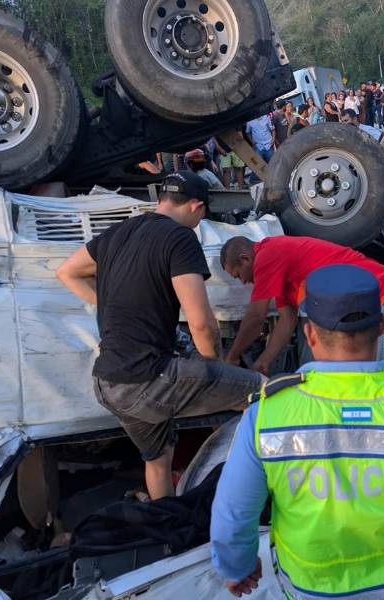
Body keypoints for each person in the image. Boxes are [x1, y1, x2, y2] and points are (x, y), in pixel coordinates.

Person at [210, 264, 384, 600]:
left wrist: (237, 569)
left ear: (310, 334)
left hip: (309, 590)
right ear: (381, 327)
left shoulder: (266, 415)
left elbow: (233, 516)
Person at [55, 172, 262, 500]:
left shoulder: (120, 231)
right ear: (196, 206)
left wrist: (111, 305)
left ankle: (166, 524)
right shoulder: (180, 238)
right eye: (203, 213)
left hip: (108, 382)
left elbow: (66, 270)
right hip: (146, 379)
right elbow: (201, 324)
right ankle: (259, 497)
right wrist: (214, 370)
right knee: (264, 392)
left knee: (158, 458)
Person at [220, 235, 384, 375]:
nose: (242, 282)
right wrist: (264, 361)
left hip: (377, 293)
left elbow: (256, 317)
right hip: (360, 304)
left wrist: (232, 357)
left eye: (238, 275)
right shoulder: (279, 272)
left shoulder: (267, 255)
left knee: (374, 376)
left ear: (245, 259)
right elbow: (287, 321)